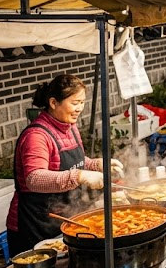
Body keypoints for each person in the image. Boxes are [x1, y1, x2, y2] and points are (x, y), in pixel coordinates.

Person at [7, 74, 123, 256]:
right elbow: (34, 178)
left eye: (83, 102)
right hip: (35, 225)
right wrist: (79, 176)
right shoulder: (36, 136)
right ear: (53, 103)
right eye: (75, 102)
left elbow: (73, 161)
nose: (80, 108)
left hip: (64, 219)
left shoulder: (70, 126)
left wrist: (96, 165)